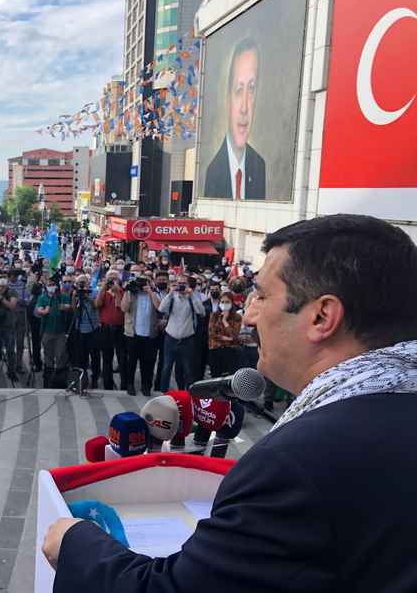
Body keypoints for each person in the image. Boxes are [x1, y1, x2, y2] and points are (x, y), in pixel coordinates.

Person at [44, 214, 417, 591]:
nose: (249, 315)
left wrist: (76, 543)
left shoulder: (296, 463)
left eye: (263, 296)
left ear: (322, 317)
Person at [204, 36, 266, 200]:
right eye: (239, 90)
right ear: (228, 102)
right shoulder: (212, 171)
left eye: (251, 89)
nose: (244, 108)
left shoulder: (259, 166)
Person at [157, 272, 205, 392]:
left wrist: (192, 295)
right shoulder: (172, 298)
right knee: (166, 367)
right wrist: (170, 293)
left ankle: (189, 394)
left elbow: (201, 311)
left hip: (186, 340)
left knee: (188, 369)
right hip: (170, 338)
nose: (181, 286)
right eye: (179, 283)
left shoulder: (192, 299)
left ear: (188, 285)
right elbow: (161, 308)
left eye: (184, 283)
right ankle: (164, 392)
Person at [121, 271, 161, 396]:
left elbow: (160, 307)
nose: (144, 284)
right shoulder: (132, 293)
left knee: (148, 362)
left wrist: (151, 292)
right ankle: (130, 384)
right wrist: (126, 290)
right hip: (133, 333)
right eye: (142, 281)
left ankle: (146, 385)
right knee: (131, 361)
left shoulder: (155, 294)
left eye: (147, 281)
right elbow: (124, 308)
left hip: (150, 334)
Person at [94, 269, 127, 391]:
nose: (113, 281)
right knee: (107, 358)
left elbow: (123, 307)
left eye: (115, 278)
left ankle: (124, 384)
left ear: (119, 280)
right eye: (110, 279)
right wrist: (102, 289)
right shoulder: (104, 293)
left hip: (120, 329)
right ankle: (108, 385)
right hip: (106, 328)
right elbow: (97, 305)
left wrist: (116, 292)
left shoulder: (123, 292)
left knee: (122, 358)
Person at [69, 273, 101, 390]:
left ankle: (95, 377)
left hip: (93, 328)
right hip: (80, 329)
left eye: (84, 283)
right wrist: (74, 297)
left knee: (95, 356)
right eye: (79, 284)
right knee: (82, 356)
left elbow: (96, 305)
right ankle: (84, 377)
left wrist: (85, 296)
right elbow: (74, 310)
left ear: (88, 283)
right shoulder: (77, 294)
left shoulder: (95, 292)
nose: (82, 286)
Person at [36, 276, 71, 371]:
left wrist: (64, 307)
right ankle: (49, 371)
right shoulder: (42, 297)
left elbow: (68, 307)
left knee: (61, 354)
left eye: (53, 284)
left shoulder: (63, 296)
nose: (51, 286)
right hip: (46, 330)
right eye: (49, 285)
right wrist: (44, 311)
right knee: (48, 354)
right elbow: (39, 310)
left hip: (61, 330)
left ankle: (61, 372)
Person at [207, 292, 242, 378]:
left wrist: (225, 321)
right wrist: (228, 338)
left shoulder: (237, 317)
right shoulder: (214, 315)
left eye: (227, 302)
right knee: (215, 377)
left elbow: (234, 335)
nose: (224, 304)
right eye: (222, 302)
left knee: (230, 377)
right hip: (215, 350)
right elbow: (212, 334)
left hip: (230, 351)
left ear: (232, 303)